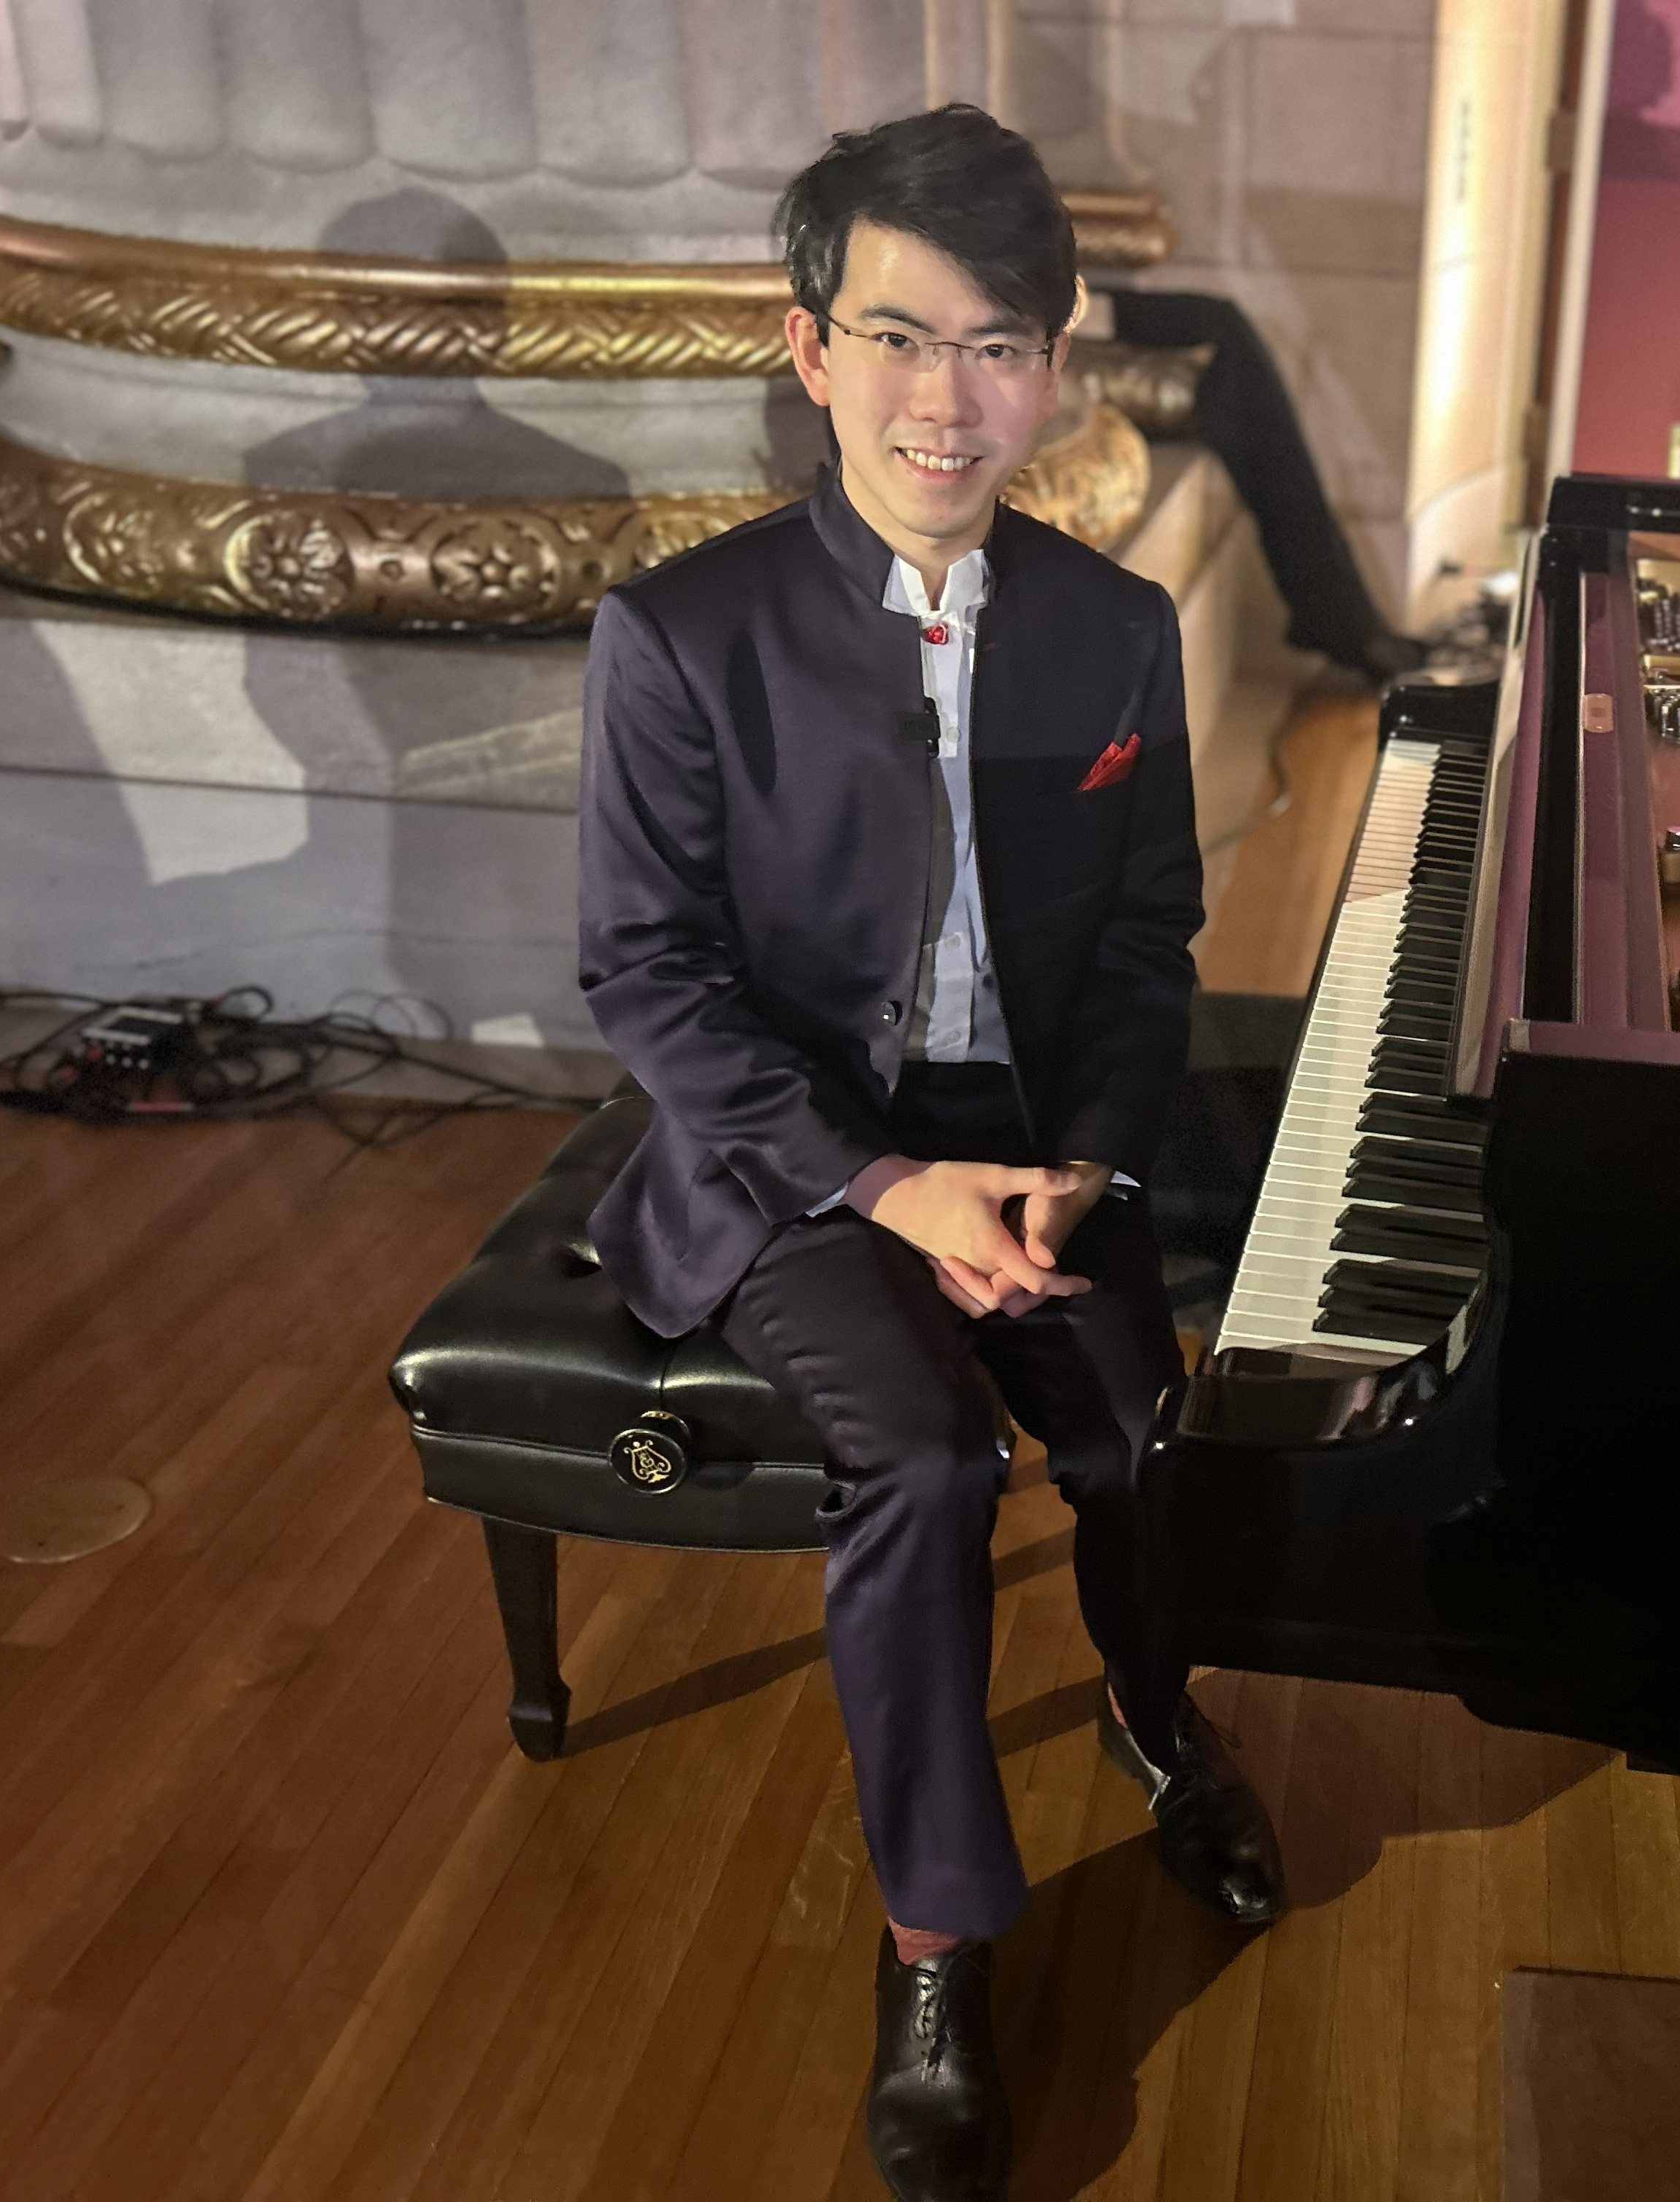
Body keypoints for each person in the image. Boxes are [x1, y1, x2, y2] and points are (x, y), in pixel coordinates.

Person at [575, 104, 1283, 2202]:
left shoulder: (1113, 626)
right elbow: (648, 980)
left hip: (1030, 1134)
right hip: (792, 1159)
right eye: (897, 336)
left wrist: (1084, 1165)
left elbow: (1148, 939)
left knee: (1144, 1429)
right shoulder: (680, 636)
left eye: (997, 346)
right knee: (930, 1461)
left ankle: (1157, 1716)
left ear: (1053, 367)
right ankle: (937, 1939)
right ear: (809, 349)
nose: (944, 401)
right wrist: (890, 1190)